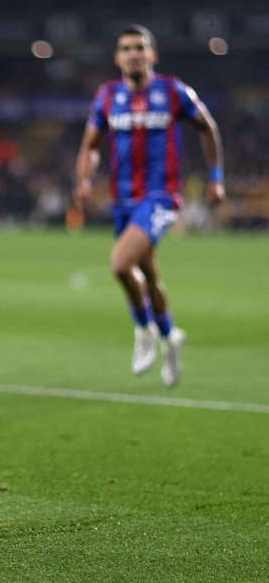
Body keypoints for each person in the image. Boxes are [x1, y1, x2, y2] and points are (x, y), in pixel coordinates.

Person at [74, 24, 225, 387]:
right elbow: (91, 145)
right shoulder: (107, 96)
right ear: (117, 58)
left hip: (161, 196)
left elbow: (208, 127)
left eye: (140, 47)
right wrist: (83, 178)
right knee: (150, 275)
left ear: (152, 55)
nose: (134, 53)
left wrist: (216, 177)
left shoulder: (173, 91)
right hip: (123, 200)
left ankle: (144, 330)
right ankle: (171, 337)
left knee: (120, 264)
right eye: (126, 48)